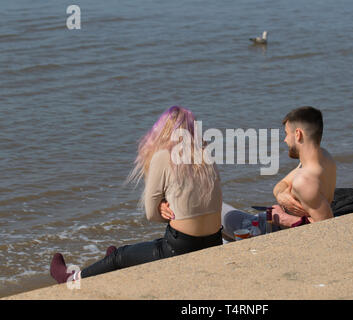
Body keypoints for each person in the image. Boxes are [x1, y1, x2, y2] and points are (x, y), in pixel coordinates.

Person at [50, 106, 223, 284]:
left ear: (162, 130)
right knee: (148, 247)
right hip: (213, 243)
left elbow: (151, 214)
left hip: (180, 248)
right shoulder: (205, 156)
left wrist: (161, 208)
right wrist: (167, 204)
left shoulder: (164, 156)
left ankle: (70, 278)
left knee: (119, 255)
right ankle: (111, 265)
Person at [221, 106, 336, 239]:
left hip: (272, 229)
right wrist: (282, 195)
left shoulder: (305, 181)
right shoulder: (323, 156)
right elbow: (283, 183)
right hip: (277, 221)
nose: (285, 140)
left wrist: (282, 218)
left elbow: (327, 225)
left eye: (287, 134)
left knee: (216, 210)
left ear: (298, 134)